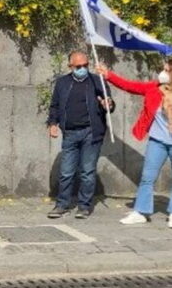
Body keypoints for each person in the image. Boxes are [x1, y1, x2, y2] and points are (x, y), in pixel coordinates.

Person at [96, 59, 172, 226]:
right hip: (157, 141)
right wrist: (108, 75)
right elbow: (129, 85)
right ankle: (141, 211)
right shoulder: (153, 88)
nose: (163, 71)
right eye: (164, 68)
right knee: (147, 177)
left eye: (167, 69)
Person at [46, 50, 114, 219]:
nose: (82, 68)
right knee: (66, 172)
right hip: (70, 132)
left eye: (85, 65)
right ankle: (62, 205)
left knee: (87, 171)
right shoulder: (62, 83)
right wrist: (52, 123)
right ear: (70, 66)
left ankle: (84, 206)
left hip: (91, 132)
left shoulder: (97, 81)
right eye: (78, 66)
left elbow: (109, 103)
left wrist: (108, 104)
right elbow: (54, 106)